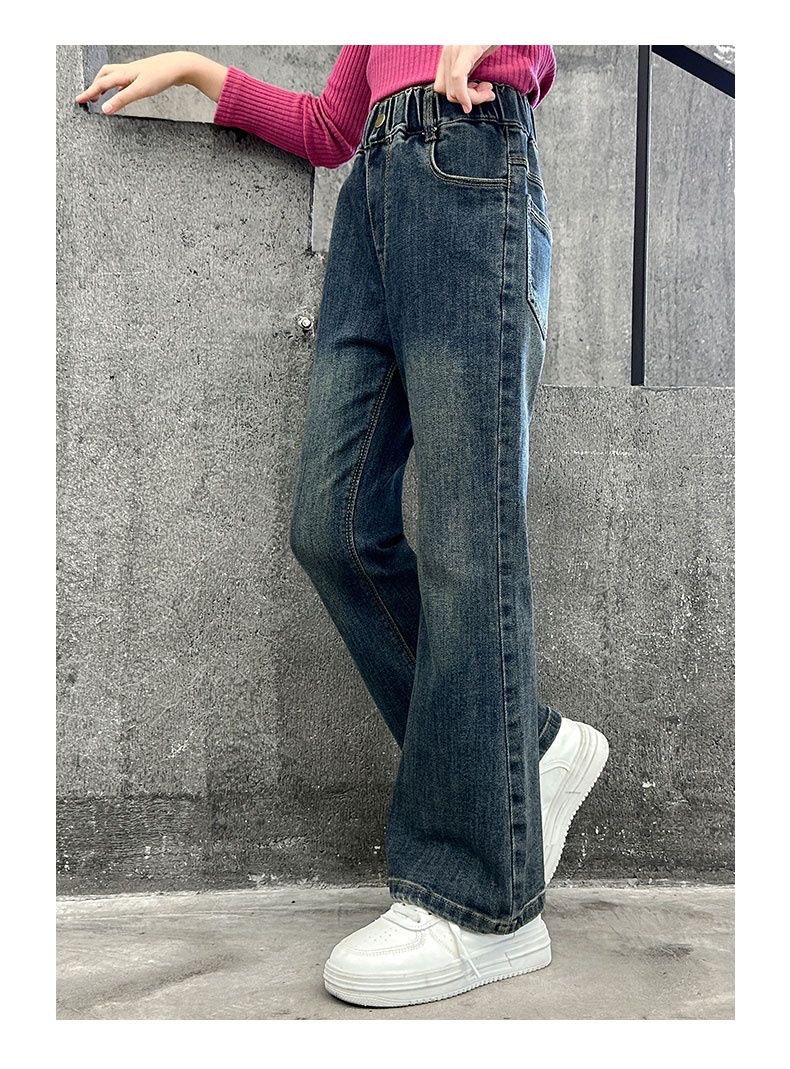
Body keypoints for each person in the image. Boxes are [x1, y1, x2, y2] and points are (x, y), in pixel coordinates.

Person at [76, 45, 609, 1010]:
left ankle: (483, 903)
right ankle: (526, 747)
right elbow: (329, 128)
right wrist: (199, 72)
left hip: (471, 168)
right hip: (374, 195)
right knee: (333, 525)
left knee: (469, 542)